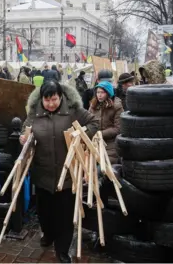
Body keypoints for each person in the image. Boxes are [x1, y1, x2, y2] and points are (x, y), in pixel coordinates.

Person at [20, 81, 99, 263]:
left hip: (67, 173)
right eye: (47, 100)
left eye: (54, 99)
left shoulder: (73, 110)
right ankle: (48, 234)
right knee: (44, 212)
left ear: (61, 96)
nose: (50, 104)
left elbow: (94, 123)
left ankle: (62, 250)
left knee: (64, 215)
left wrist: (81, 134)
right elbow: (25, 132)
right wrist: (24, 139)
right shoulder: (34, 113)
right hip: (42, 173)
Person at [88, 81, 123, 164]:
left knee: (103, 166)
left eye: (102, 92)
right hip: (95, 143)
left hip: (111, 145)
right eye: (98, 92)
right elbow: (88, 121)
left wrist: (100, 134)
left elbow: (118, 128)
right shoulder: (93, 105)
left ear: (108, 93)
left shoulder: (116, 107)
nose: (99, 95)